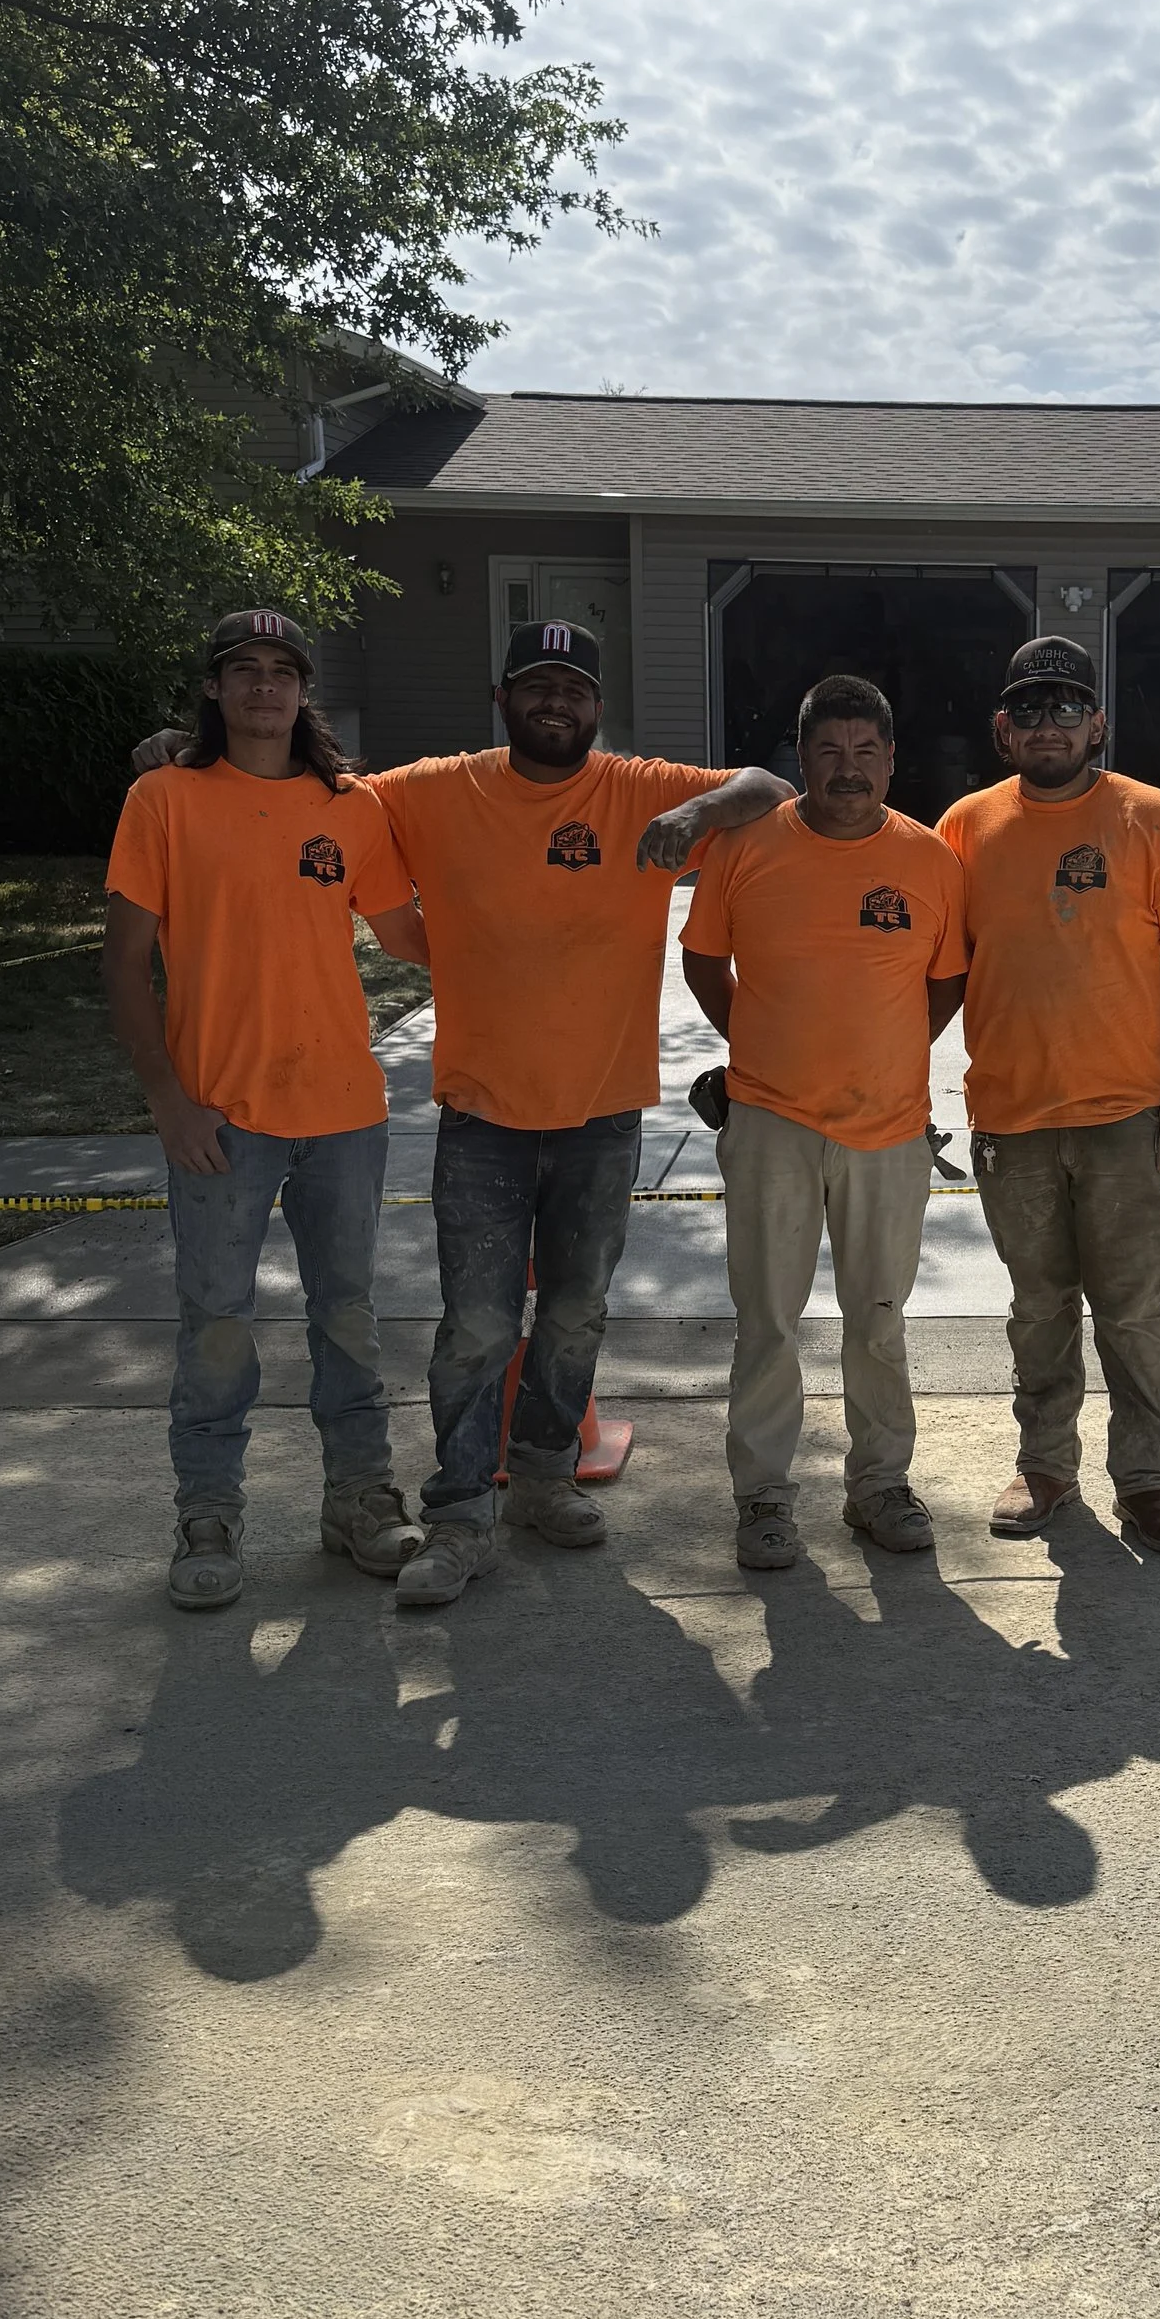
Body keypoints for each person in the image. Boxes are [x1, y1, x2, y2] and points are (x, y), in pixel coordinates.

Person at [135, 621, 790, 1609]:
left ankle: (540, 1479)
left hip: (603, 1112)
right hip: (481, 1111)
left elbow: (770, 789)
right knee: (478, 1325)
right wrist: (182, 751)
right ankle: (457, 1515)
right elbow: (310, 789)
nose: (554, 703)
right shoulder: (436, 787)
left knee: (574, 1316)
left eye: (573, 688)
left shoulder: (638, 790)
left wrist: (696, 812)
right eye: (536, 687)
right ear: (502, 700)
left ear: (597, 706)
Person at [104, 609, 431, 1611]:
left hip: (341, 1110)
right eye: (241, 670)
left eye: (281, 671)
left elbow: (405, 934)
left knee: (347, 1319)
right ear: (213, 689)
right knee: (217, 1325)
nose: (262, 687)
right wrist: (169, 1101)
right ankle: (209, 1513)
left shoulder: (351, 807)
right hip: (219, 1117)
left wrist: (532, 927)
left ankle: (359, 1502)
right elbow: (123, 963)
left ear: (303, 692)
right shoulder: (163, 799)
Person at [937, 636, 1160, 1553]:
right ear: (1002, 727)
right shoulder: (964, 828)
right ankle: (1045, 1467)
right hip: (1013, 1121)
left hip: (1130, 1120)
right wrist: (894, 1074)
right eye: (1029, 709)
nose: (1049, 724)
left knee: (1135, 1309)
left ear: (1098, 721)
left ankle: (1149, 1480)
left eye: (1067, 707)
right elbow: (942, 972)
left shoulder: (1154, 820)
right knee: (1040, 1307)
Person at [681, 674, 967, 1570]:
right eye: (830, 752)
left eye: (866, 752)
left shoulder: (932, 861)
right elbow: (703, 963)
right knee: (767, 1319)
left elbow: (946, 981)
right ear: (799, 760)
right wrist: (761, 1049)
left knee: (877, 1319)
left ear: (892, 759)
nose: (849, 770)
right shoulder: (746, 847)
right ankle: (763, 1497)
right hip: (769, 1122)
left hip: (888, 1132)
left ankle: (879, 1486)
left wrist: (881, 1055)